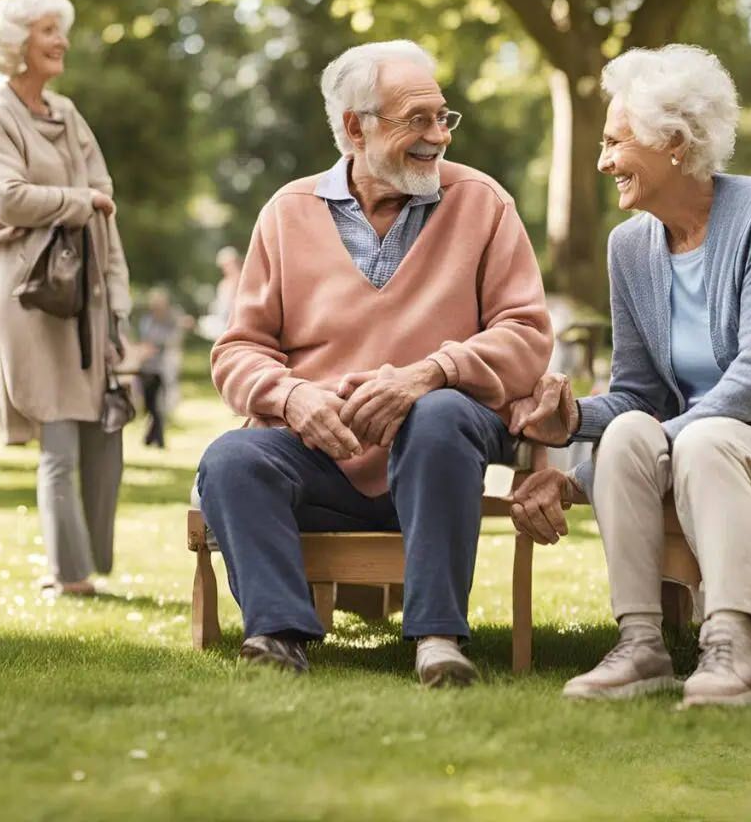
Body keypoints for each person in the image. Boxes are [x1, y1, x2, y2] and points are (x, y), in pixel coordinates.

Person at [196, 40, 553, 685]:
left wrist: (430, 372)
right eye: (417, 120)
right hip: (324, 461)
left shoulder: (482, 203)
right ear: (355, 128)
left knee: (439, 413)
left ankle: (437, 639)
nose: (438, 136)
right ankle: (278, 633)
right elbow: (238, 349)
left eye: (444, 117)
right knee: (232, 458)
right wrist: (289, 397)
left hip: (441, 454)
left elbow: (527, 334)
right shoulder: (286, 212)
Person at [509, 44, 751, 708]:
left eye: (615, 141)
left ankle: (732, 646)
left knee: (698, 440)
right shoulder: (632, 246)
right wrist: (575, 423)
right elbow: (638, 391)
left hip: (735, 442)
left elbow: (749, 377)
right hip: (693, 444)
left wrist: (665, 438)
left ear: (674, 142)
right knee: (628, 435)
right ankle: (642, 646)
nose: (603, 160)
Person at [0, 0, 132, 596]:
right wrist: (79, 202)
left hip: (86, 294)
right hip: (26, 294)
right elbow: (5, 198)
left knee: (105, 430)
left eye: (61, 29)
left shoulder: (67, 113)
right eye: (49, 30)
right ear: (18, 44)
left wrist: (119, 296)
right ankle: (70, 576)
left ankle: (91, 562)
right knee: (61, 435)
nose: (61, 41)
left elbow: (106, 205)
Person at [137, 287, 193, 448]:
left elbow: (174, 336)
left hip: (162, 368)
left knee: (157, 405)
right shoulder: (147, 321)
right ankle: (149, 437)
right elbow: (145, 341)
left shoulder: (171, 321)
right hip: (146, 367)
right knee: (148, 405)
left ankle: (158, 440)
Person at [196, 246, 245, 342]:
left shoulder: (243, 279)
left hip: (237, 321)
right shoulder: (223, 283)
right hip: (222, 321)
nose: (225, 269)